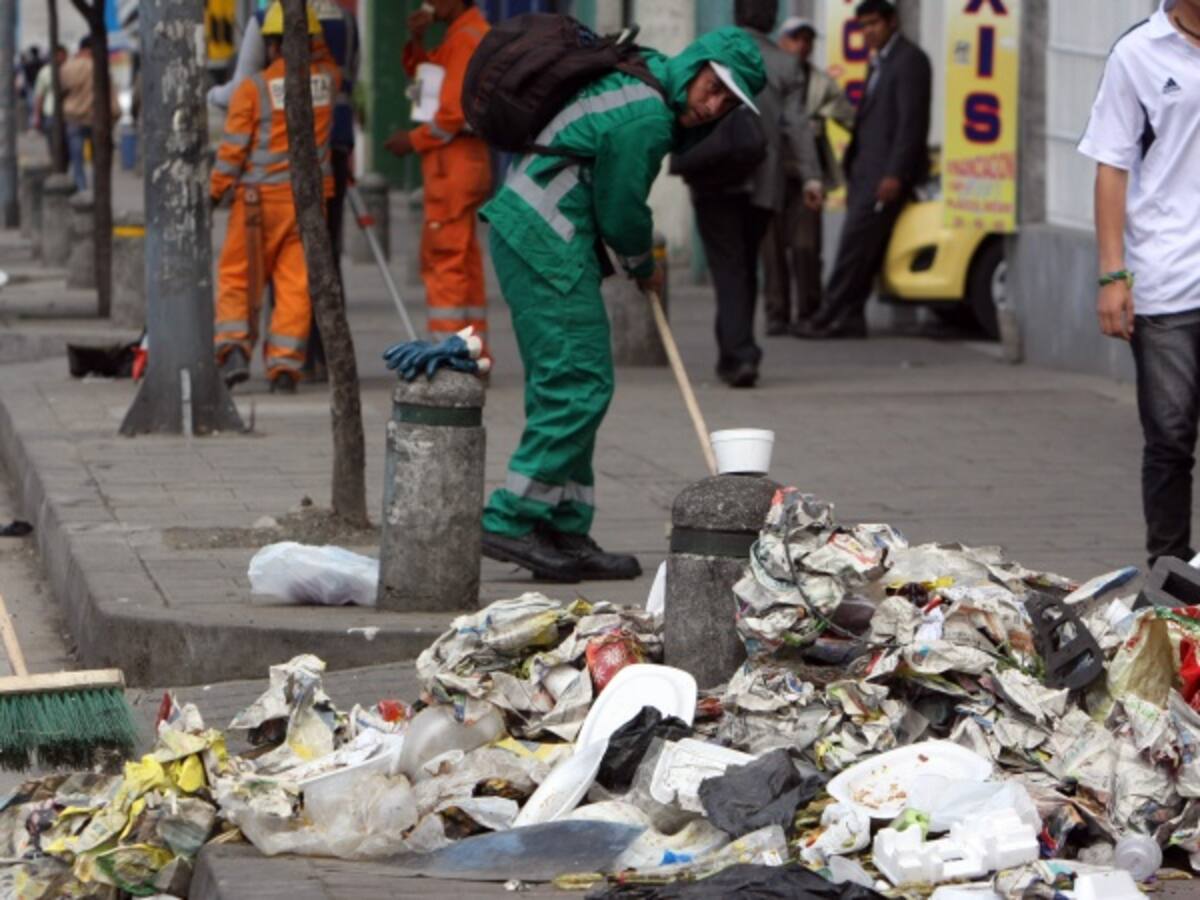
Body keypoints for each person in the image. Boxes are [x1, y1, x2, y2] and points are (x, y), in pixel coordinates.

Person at [479, 28, 766, 582]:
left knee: (567, 382)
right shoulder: (648, 116)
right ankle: (512, 518)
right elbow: (621, 210)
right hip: (545, 236)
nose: (714, 107)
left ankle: (563, 523)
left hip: (539, 232)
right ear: (697, 67)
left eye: (728, 102)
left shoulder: (649, 77)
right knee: (579, 383)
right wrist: (643, 264)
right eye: (714, 89)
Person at [1079, 0, 1200, 566]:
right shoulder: (1138, 52)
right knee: (1172, 438)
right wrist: (1112, 274)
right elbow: (1111, 164)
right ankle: (1170, 577)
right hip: (1167, 277)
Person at [208, 0, 360, 384]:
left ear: (271, 45)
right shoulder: (328, 78)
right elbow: (329, 60)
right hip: (306, 205)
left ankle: (234, 350)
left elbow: (231, 152)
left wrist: (213, 194)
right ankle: (285, 366)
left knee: (238, 277)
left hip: (258, 203)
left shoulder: (251, 90)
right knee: (295, 284)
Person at [677, 0, 822, 389]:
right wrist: (811, 179)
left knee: (728, 268)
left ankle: (738, 354)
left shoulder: (713, 52)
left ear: (737, 16)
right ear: (773, 20)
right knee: (743, 266)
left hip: (712, 180)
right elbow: (796, 125)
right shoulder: (786, 64)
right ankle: (738, 353)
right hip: (761, 184)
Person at [793, 0, 930, 340]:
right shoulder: (880, 61)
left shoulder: (909, 61)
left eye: (874, 24)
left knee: (853, 248)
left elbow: (910, 125)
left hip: (884, 175)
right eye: (863, 26)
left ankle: (828, 315)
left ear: (891, 22)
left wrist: (895, 174)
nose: (868, 32)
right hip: (864, 170)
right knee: (862, 249)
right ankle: (850, 317)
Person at [386, 0, 491, 353]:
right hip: (462, 161)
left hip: (454, 163)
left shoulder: (465, 39)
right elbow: (426, 85)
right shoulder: (461, 34)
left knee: (445, 255)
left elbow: (450, 114)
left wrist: (410, 140)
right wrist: (416, 42)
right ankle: (474, 348)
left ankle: (449, 353)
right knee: (464, 258)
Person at [764, 16, 855, 335]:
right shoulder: (768, 77)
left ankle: (809, 310)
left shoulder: (820, 83)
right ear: (782, 42)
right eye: (795, 39)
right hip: (771, 172)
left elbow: (850, 117)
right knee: (771, 247)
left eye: (807, 40)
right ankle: (776, 313)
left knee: (805, 245)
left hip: (807, 174)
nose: (801, 46)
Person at [59, 37, 119, 192]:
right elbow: (110, 96)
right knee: (98, 160)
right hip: (96, 119)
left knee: (77, 159)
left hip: (73, 118)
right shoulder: (100, 67)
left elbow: (60, 92)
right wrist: (115, 115)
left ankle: (82, 189)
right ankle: (98, 191)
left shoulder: (67, 68)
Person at [33, 45, 66, 157]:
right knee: (53, 145)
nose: (60, 58)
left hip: (68, 114)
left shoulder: (69, 70)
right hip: (50, 113)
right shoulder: (45, 72)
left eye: (62, 55)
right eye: (58, 55)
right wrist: (37, 116)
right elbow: (39, 95)